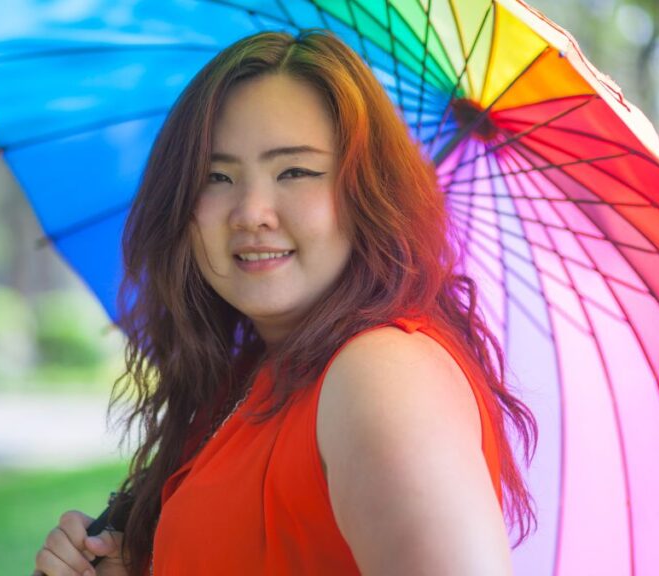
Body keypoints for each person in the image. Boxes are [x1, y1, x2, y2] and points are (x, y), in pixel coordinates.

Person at [33, 28, 537, 576]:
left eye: (295, 171)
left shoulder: (382, 375)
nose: (250, 212)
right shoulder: (254, 370)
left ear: (366, 191)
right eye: (215, 176)